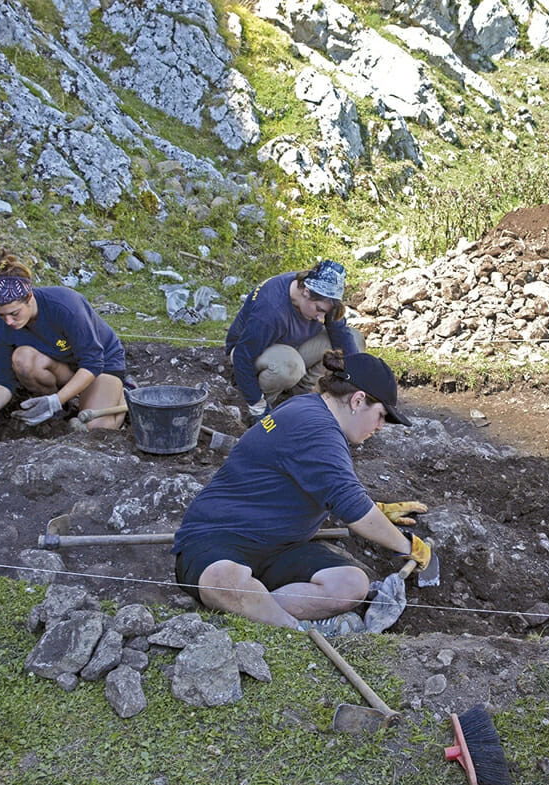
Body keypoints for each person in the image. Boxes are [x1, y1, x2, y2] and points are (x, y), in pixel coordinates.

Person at [172, 349, 432, 635]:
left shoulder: (308, 408)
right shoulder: (316, 428)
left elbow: (330, 486)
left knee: (351, 584)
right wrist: (408, 547)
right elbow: (354, 510)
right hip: (219, 539)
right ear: (358, 401)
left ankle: (253, 607)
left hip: (280, 549)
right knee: (223, 580)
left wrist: (377, 510)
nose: (380, 426)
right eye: (381, 415)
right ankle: (293, 628)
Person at [0, 251, 128, 431]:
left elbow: (92, 362)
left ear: (29, 298)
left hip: (101, 366)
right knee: (22, 358)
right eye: (1, 315)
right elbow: (4, 380)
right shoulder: (0, 328)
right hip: (62, 366)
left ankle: (121, 395)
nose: (9, 322)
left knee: (95, 428)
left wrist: (55, 401)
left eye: (14, 313)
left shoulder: (66, 306)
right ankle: (59, 410)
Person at [226, 260, 365, 425]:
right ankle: (264, 401)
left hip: (291, 344)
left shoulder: (321, 295)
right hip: (250, 350)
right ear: (306, 292)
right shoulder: (271, 310)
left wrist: (358, 381)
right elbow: (242, 356)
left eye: (324, 312)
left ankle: (302, 395)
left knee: (354, 340)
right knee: (290, 366)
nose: (321, 318)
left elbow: (341, 335)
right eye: (319, 310)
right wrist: (257, 407)